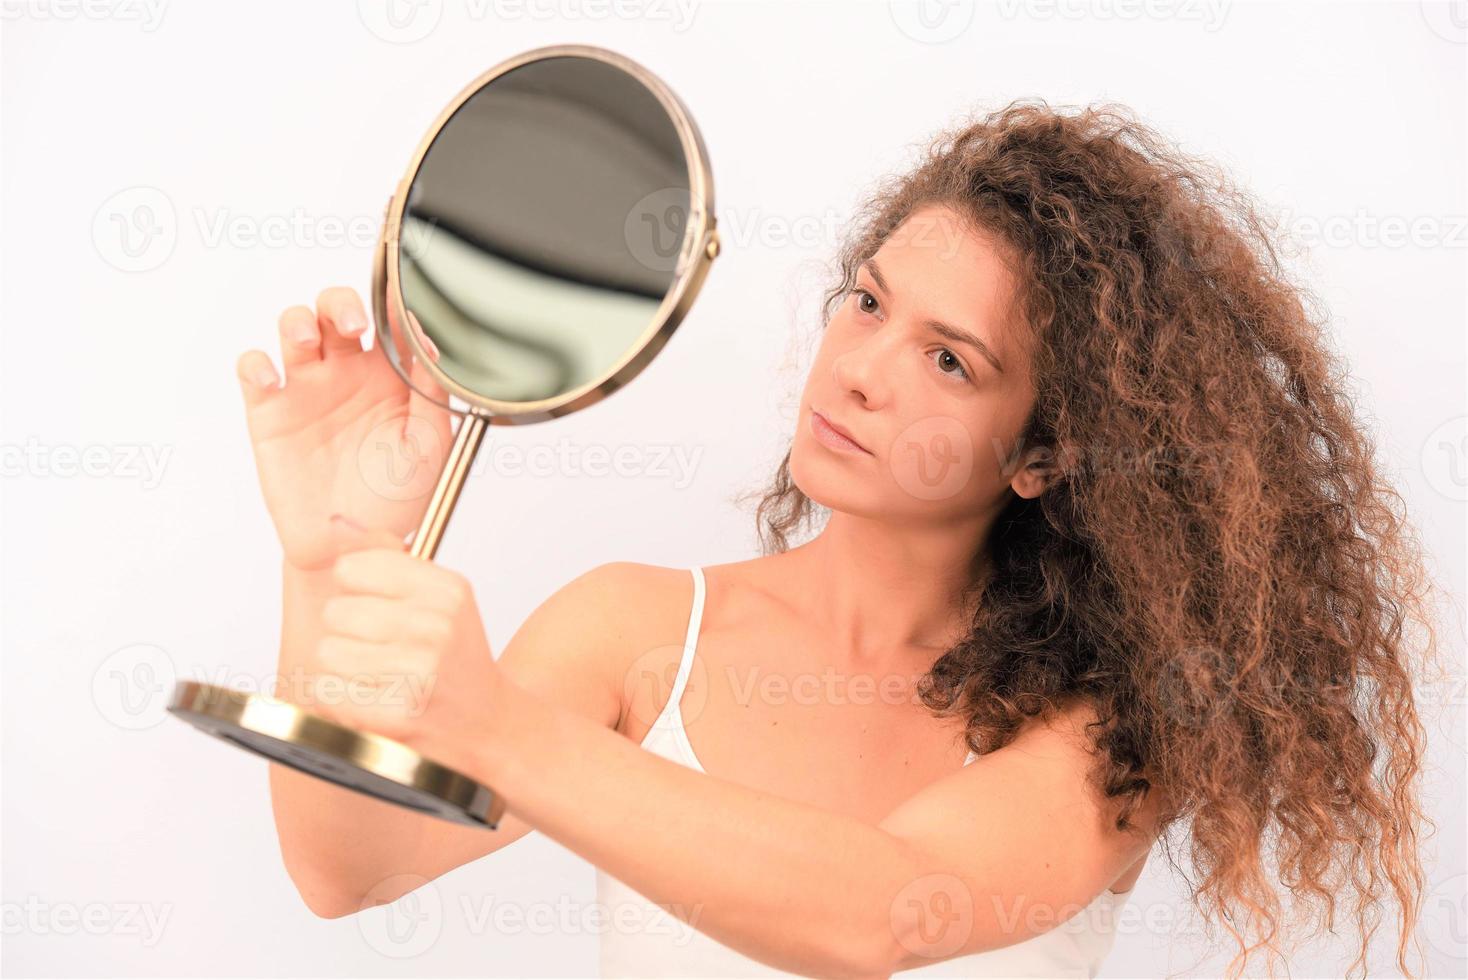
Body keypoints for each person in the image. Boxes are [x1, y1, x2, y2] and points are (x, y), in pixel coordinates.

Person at [235, 99, 1440, 978]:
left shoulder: (1107, 725)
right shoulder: (632, 629)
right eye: (866, 302)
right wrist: (332, 558)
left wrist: (494, 725)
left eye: (948, 359)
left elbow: (880, 913)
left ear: (1042, 455)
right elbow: (353, 868)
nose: (859, 371)